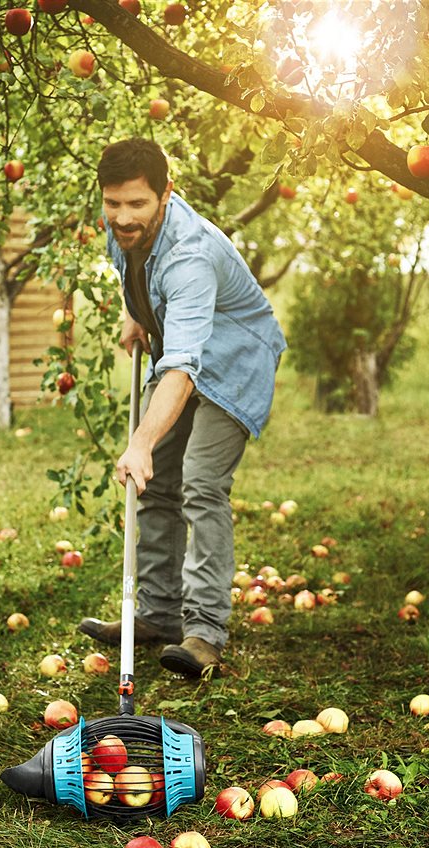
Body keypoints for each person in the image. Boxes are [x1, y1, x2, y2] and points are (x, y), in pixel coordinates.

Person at [78, 138, 287, 678]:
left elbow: (183, 368)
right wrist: (137, 312)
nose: (123, 217)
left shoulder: (190, 255)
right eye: (113, 202)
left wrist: (141, 443)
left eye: (138, 205)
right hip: (181, 348)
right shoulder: (119, 227)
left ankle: (204, 633)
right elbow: (137, 276)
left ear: (166, 194)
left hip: (233, 358)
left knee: (198, 480)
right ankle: (158, 614)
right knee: (154, 485)